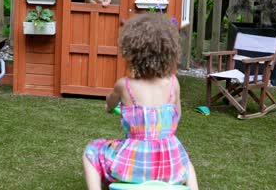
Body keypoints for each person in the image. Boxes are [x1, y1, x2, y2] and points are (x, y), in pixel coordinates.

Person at [82, 13, 199, 190]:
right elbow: (177, 117)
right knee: (186, 161)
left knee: (92, 150)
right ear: (169, 52)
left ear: (132, 52)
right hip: (169, 166)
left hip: (133, 168)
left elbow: (109, 103)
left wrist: (109, 106)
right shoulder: (174, 83)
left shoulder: (124, 85)